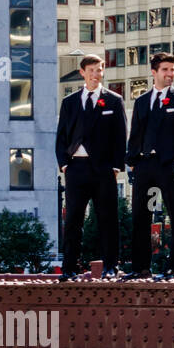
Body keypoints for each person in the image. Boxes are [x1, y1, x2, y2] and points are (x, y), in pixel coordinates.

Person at [55, 54, 127, 281]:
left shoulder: (114, 101)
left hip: (103, 169)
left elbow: (120, 137)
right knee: (73, 219)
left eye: (100, 69)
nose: (97, 74)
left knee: (107, 219)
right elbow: (61, 137)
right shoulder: (70, 102)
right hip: (76, 168)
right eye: (92, 70)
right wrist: (65, 165)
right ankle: (69, 267)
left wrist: (115, 168)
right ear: (82, 72)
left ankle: (110, 266)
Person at [126, 52, 174, 280]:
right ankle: (140, 268)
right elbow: (135, 134)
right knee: (141, 216)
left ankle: (173, 268)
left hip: (169, 168)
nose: (170, 74)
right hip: (145, 167)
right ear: (154, 72)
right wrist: (133, 162)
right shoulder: (142, 101)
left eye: (172, 70)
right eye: (165, 70)